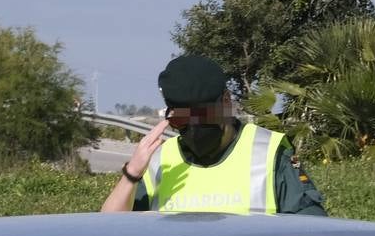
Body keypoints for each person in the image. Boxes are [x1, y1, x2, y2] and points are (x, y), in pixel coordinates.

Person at [100, 54, 325, 217]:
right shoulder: (157, 162)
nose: (194, 128)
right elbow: (110, 232)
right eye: (181, 119)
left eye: (202, 115)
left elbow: (314, 231)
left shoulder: (268, 152)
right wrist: (132, 173)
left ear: (226, 103)